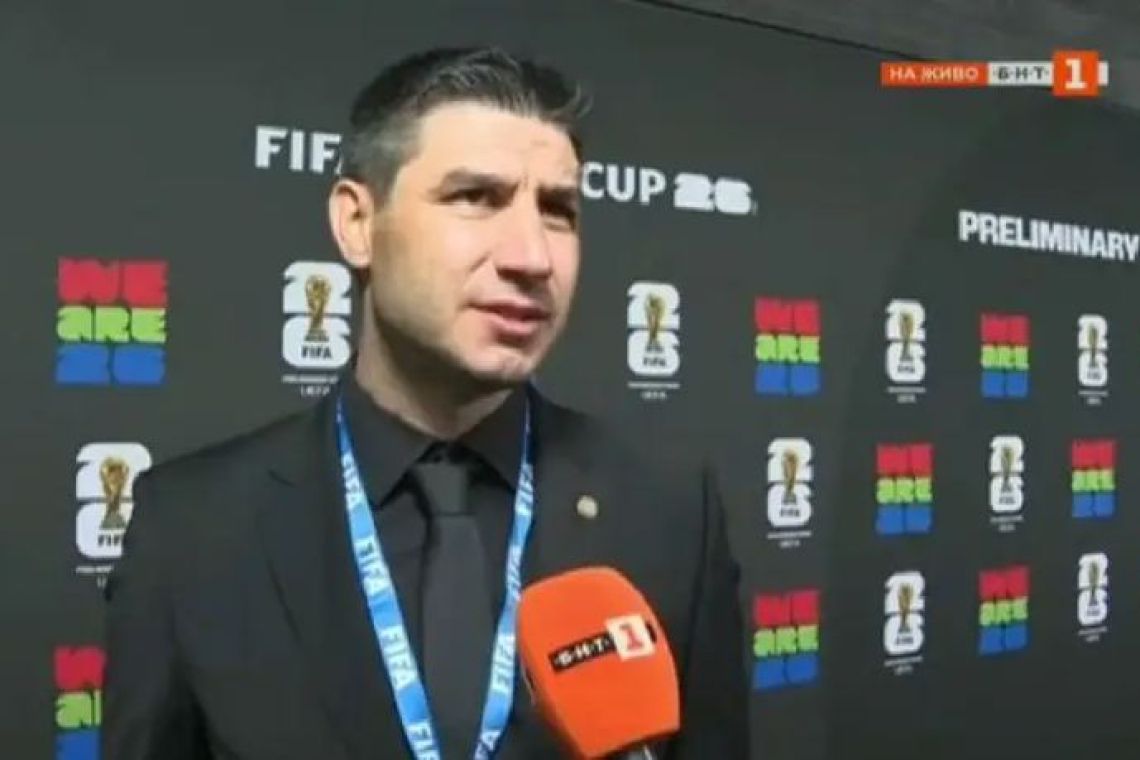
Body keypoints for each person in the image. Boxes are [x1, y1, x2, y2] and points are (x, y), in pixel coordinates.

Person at [102, 46, 749, 760]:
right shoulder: (192, 530)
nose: (532, 256)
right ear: (357, 223)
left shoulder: (670, 511)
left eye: (558, 210)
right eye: (475, 197)